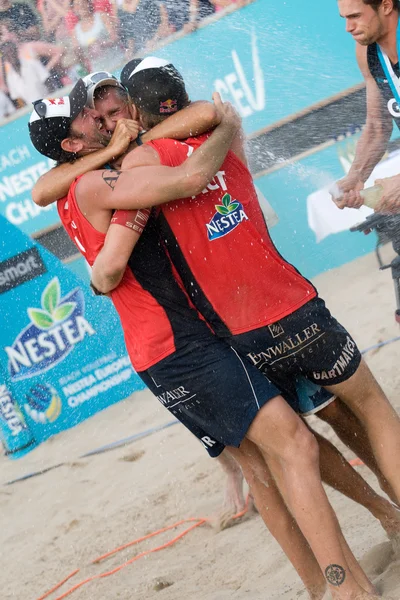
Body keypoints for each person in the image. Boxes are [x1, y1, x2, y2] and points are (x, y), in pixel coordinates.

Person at [29, 81, 389, 600]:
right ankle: (349, 588)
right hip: (182, 345)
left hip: (167, 351)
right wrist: (226, 125)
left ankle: (323, 585)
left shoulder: (75, 180)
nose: (96, 115)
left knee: (264, 468)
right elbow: (186, 184)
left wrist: (115, 152)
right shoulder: (94, 183)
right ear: (70, 145)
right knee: (295, 446)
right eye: (86, 116)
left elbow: (48, 194)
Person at [335, 0, 400, 213]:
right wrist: (356, 175)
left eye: (355, 16)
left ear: (386, 6)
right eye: (344, 18)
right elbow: (378, 127)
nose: (348, 28)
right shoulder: (366, 51)